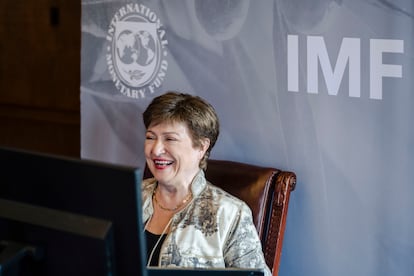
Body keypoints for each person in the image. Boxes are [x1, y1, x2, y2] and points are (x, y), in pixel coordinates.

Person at [141, 91, 271, 276]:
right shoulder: (127, 197)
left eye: (169, 139)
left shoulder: (230, 213)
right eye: (150, 137)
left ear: (201, 147)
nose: (156, 149)